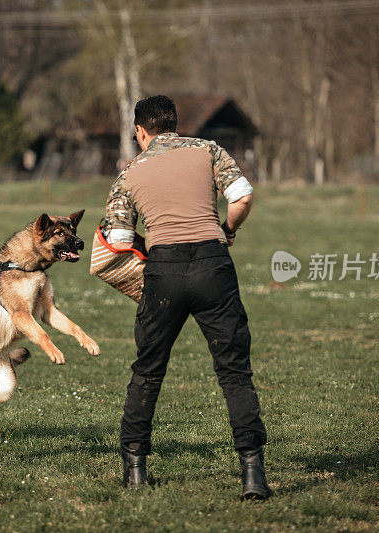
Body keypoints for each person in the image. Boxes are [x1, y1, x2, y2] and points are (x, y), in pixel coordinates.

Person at [104, 95, 272, 499]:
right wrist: (228, 230)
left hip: (164, 271)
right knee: (234, 371)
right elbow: (242, 197)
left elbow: (120, 240)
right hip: (214, 265)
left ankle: (136, 471)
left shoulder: (130, 172)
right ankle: (252, 474)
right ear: (174, 125)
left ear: (141, 132)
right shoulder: (208, 149)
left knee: (148, 370)